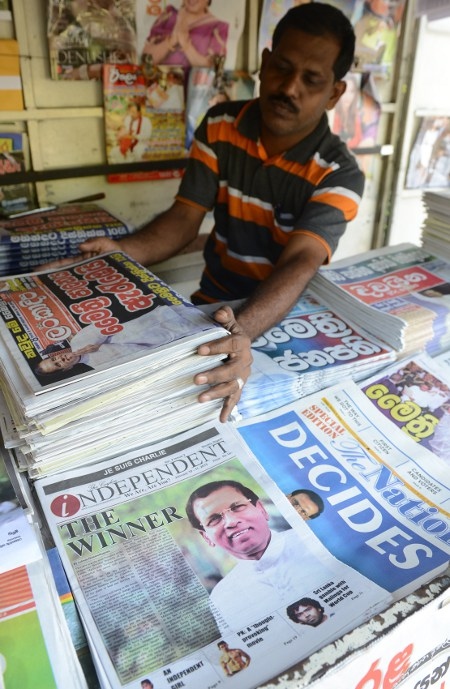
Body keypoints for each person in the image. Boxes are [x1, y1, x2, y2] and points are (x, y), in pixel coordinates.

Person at [43, 3, 363, 420]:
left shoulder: (340, 173)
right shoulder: (220, 125)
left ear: (335, 92)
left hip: (281, 324)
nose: (290, 88)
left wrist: (241, 332)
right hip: (209, 313)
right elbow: (183, 219)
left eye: (312, 79)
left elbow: (301, 262)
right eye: (282, 68)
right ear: (264, 65)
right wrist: (120, 251)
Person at [185, 479, 334, 632]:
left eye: (237, 507)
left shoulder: (319, 543)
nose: (231, 522)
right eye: (214, 519)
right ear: (206, 537)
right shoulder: (221, 599)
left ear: (262, 509)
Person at [34, 304, 214, 380]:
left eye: (54, 359)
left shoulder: (80, 340)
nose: (61, 360)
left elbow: (105, 326)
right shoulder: (99, 367)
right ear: (66, 369)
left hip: (161, 318)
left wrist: (92, 345)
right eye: (58, 365)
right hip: (178, 337)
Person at [141, 0, 229, 69]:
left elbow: (213, 69)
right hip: (159, 87)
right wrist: (171, 41)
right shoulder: (169, 14)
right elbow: (146, 59)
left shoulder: (219, 27)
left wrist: (186, 44)